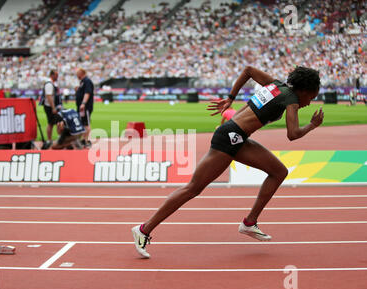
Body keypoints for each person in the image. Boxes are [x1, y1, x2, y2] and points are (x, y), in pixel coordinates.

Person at [132, 66, 324, 258]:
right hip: (229, 137)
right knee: (192, 188)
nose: (309, 103)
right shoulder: (290, 99)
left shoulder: (275, 85)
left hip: (236, 136)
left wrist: (231, 98)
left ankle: (249, 222)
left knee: (279, 172)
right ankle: (144, 229)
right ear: (304, 90)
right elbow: (293, 134)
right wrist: (313, 125)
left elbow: (248, 70)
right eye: (312, 97)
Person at [41, 70, 64, 149]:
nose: (57, 76)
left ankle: (58, 138)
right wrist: (53, 107)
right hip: (50, 106)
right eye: (56, 75)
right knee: (51, 123)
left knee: (59, 121)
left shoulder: (53, 83)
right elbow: (49, 96)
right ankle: (50, 139)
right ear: (52, 75)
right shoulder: (49, 84)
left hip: (55, 106)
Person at [75, 68, 94, 148]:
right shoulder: (82, 82)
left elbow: (87, 93)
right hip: (81, 107)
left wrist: (83, 103)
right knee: (82, 123)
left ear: (82, 73)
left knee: (86, 123)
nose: (76, 75)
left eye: (77, 73)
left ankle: (86, 141)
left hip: (85, 107)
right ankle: (83, 139)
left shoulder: (87, 81)